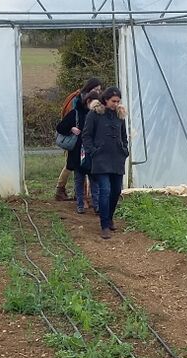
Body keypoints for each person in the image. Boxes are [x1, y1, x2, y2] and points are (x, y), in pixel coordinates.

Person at [82, 87, 129, 240]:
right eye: (113, 101)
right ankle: (104, 226)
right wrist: (93, 151)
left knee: (116, 191)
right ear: (105, 100)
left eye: (118, 101)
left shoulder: (119, 115)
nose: (115, 104)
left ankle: (109, 217)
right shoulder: (94, 114)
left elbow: (124, 135)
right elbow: (86, 135)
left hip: (117, 158)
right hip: (101, 159)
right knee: (105, 190)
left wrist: (124, 150)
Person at [55, 77, 103, 201]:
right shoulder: (78, 101)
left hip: (85, 139)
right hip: (76, 139)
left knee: (81, 166)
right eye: (96, 89)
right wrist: (72, 128)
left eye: (99, 89)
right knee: (74, 165)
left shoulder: (92, 102)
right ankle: (64, 190)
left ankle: (80, 194)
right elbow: (68, 119)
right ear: (89, 88)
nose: (98, 91)